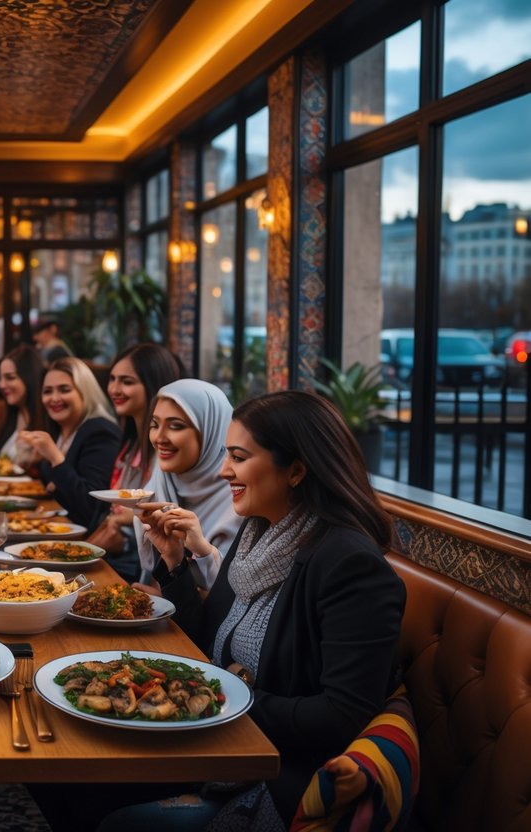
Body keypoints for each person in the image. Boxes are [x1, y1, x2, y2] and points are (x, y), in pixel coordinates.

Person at [107, 391, 406, 829]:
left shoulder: (350, 565)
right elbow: (210, 639)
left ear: (297, 470)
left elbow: (342, 716)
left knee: (111, 814)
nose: (225, 469)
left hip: (276, 774)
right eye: (227, 455)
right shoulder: (258, 533)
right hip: (221, 745)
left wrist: (226, 694)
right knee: (70, 779)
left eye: (239, 457)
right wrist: (175, 563)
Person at [86, 344, 185, 581]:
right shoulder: (130, 443)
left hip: (144, 567)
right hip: (122, 558)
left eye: (127, 382)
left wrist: (123, 523)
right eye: (112, 379)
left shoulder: (168, 451)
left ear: (154, 384)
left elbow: (169, 514)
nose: (115, 389)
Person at [132, 378, 241, 591]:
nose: (159, 438)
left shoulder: (239, 495)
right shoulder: (160, 479)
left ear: (211, 431)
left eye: (176, 426)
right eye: (154, 424)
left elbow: (238, 595)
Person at [18, 356, 122, 528]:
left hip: (85, 541)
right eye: (47, 391)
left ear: (85, 392)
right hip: (56, 526)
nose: (54, 398)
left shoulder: (100, 430)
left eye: (64, 389)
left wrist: (55, 457)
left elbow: (91, 507)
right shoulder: (61, 429)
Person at [0, 344, 46, 473]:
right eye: (0, 378)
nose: (1, 385)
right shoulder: (14, 415)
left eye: (10, 377)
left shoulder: (45, 423)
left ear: (29, 378)